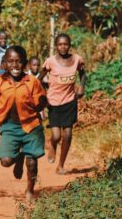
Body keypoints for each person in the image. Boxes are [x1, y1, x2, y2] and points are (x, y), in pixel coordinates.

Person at [0, 46, 47, 202]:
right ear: (4, 63)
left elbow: (41, 102)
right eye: (10, 62)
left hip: (31, 126)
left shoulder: (32, 82)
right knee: (6, 161)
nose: (15, 65)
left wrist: (42, 103)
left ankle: (30, 190)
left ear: (26, 64)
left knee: (32, 163)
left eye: (19, 62)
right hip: (10, 126)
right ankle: (18, 157)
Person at [38, 33, 86, 175]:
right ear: (56, 46)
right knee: (56, 135)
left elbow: (83, 74)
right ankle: (52, 145)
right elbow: (39, 79)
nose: (63, 47)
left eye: (65, 44)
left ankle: (61, 165)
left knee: (68, 134)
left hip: (70, 101)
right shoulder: (50, 61)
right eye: (60, 44)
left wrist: (81, 87)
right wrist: (43, 97)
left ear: (69, 45)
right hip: (53, 103)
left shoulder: (77, 59)